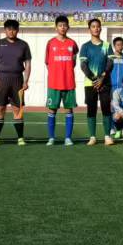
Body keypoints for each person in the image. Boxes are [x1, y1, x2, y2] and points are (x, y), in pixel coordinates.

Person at [0, 18, 32, 145]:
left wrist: (26, 81)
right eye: (9, 29)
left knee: (17, 109)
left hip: (17, 79)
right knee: (0, 108)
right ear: (5, 30)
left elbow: (28, 64)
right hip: (2, 78)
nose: (11, 32)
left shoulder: (23, 45)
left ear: (17, 30)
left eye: (14, 29)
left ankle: (20, 138)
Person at [44, 14, 80, 146]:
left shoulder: (72, 43)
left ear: (68, 27)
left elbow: (74, 61)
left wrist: (66, 71)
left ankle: (68, 138)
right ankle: (51, 138)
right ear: (56, 27)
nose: (62, 27)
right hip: (54, 83)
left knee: (69, 110)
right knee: (52, 110)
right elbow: (47, 63)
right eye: (60, 25)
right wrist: (56, 73)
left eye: (65, 25)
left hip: (68, 83)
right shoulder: (50, 43)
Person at [78, 16, 112, 145]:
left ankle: (107, 136)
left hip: (105, 82)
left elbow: (110, 63)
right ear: (89, 29)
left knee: (106, 108)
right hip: (90, 83)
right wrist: (94, 79)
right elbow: (83, 65)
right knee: (91, 109)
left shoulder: (107, 45)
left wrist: (102, 78)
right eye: (93, 26)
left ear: (101, 29)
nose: (96, 29)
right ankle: (92, 137)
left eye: (98, 26)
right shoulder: (85, 46)